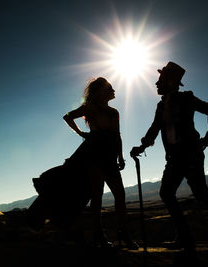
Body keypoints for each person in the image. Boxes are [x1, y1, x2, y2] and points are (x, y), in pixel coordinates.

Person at [130, 61, 208, 254]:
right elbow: (154, 129)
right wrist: (141, 146)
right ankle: (185, 237)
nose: (156, 83)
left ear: (171, 81)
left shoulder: (186, 98)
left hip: (190, 154)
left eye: (160, 80)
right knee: (169, 193)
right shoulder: (160, 106)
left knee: (199, 194)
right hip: (174, 157)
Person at [62, 77, 138, 249]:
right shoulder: (89, 108)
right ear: (101, 91)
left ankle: (124, 234)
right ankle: (100, 237)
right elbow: (67, 116)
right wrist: (81, 133)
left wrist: (120, 156)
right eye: (110, 87)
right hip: (94, 156)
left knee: (120, 196)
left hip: (110, 157)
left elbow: (117, 135)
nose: (114, 90)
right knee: (97, 196)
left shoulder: (114, 112)